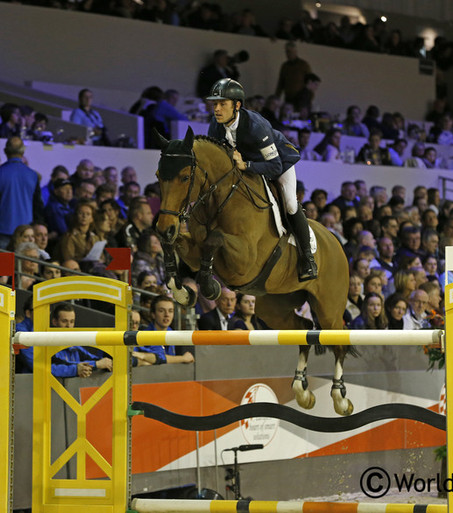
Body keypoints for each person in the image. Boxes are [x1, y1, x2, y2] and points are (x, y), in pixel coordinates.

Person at [206, 78, 317, 281]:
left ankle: (307, 257)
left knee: (291, 203)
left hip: (278, 163)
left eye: (222, 104)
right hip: (246, 167)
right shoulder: (216, 124)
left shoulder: (256, 126)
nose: (217, 109)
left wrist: (246, 166)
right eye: (215, 104)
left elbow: (274, 167)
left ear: (237, 105)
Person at [0, 136, 44, 248]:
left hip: (2, 229)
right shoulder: (33, 175)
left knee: (4, 264)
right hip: (26, 230)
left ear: (5, 151)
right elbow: (38, 204)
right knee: (25, 263)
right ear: (23, 151)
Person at [134, 295, 194, 365]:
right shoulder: (145, 336)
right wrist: (183, 358)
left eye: (170, 311)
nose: (167, 315)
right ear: (153, 314)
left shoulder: (172, 332)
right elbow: (159, 359)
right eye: (161, 311)